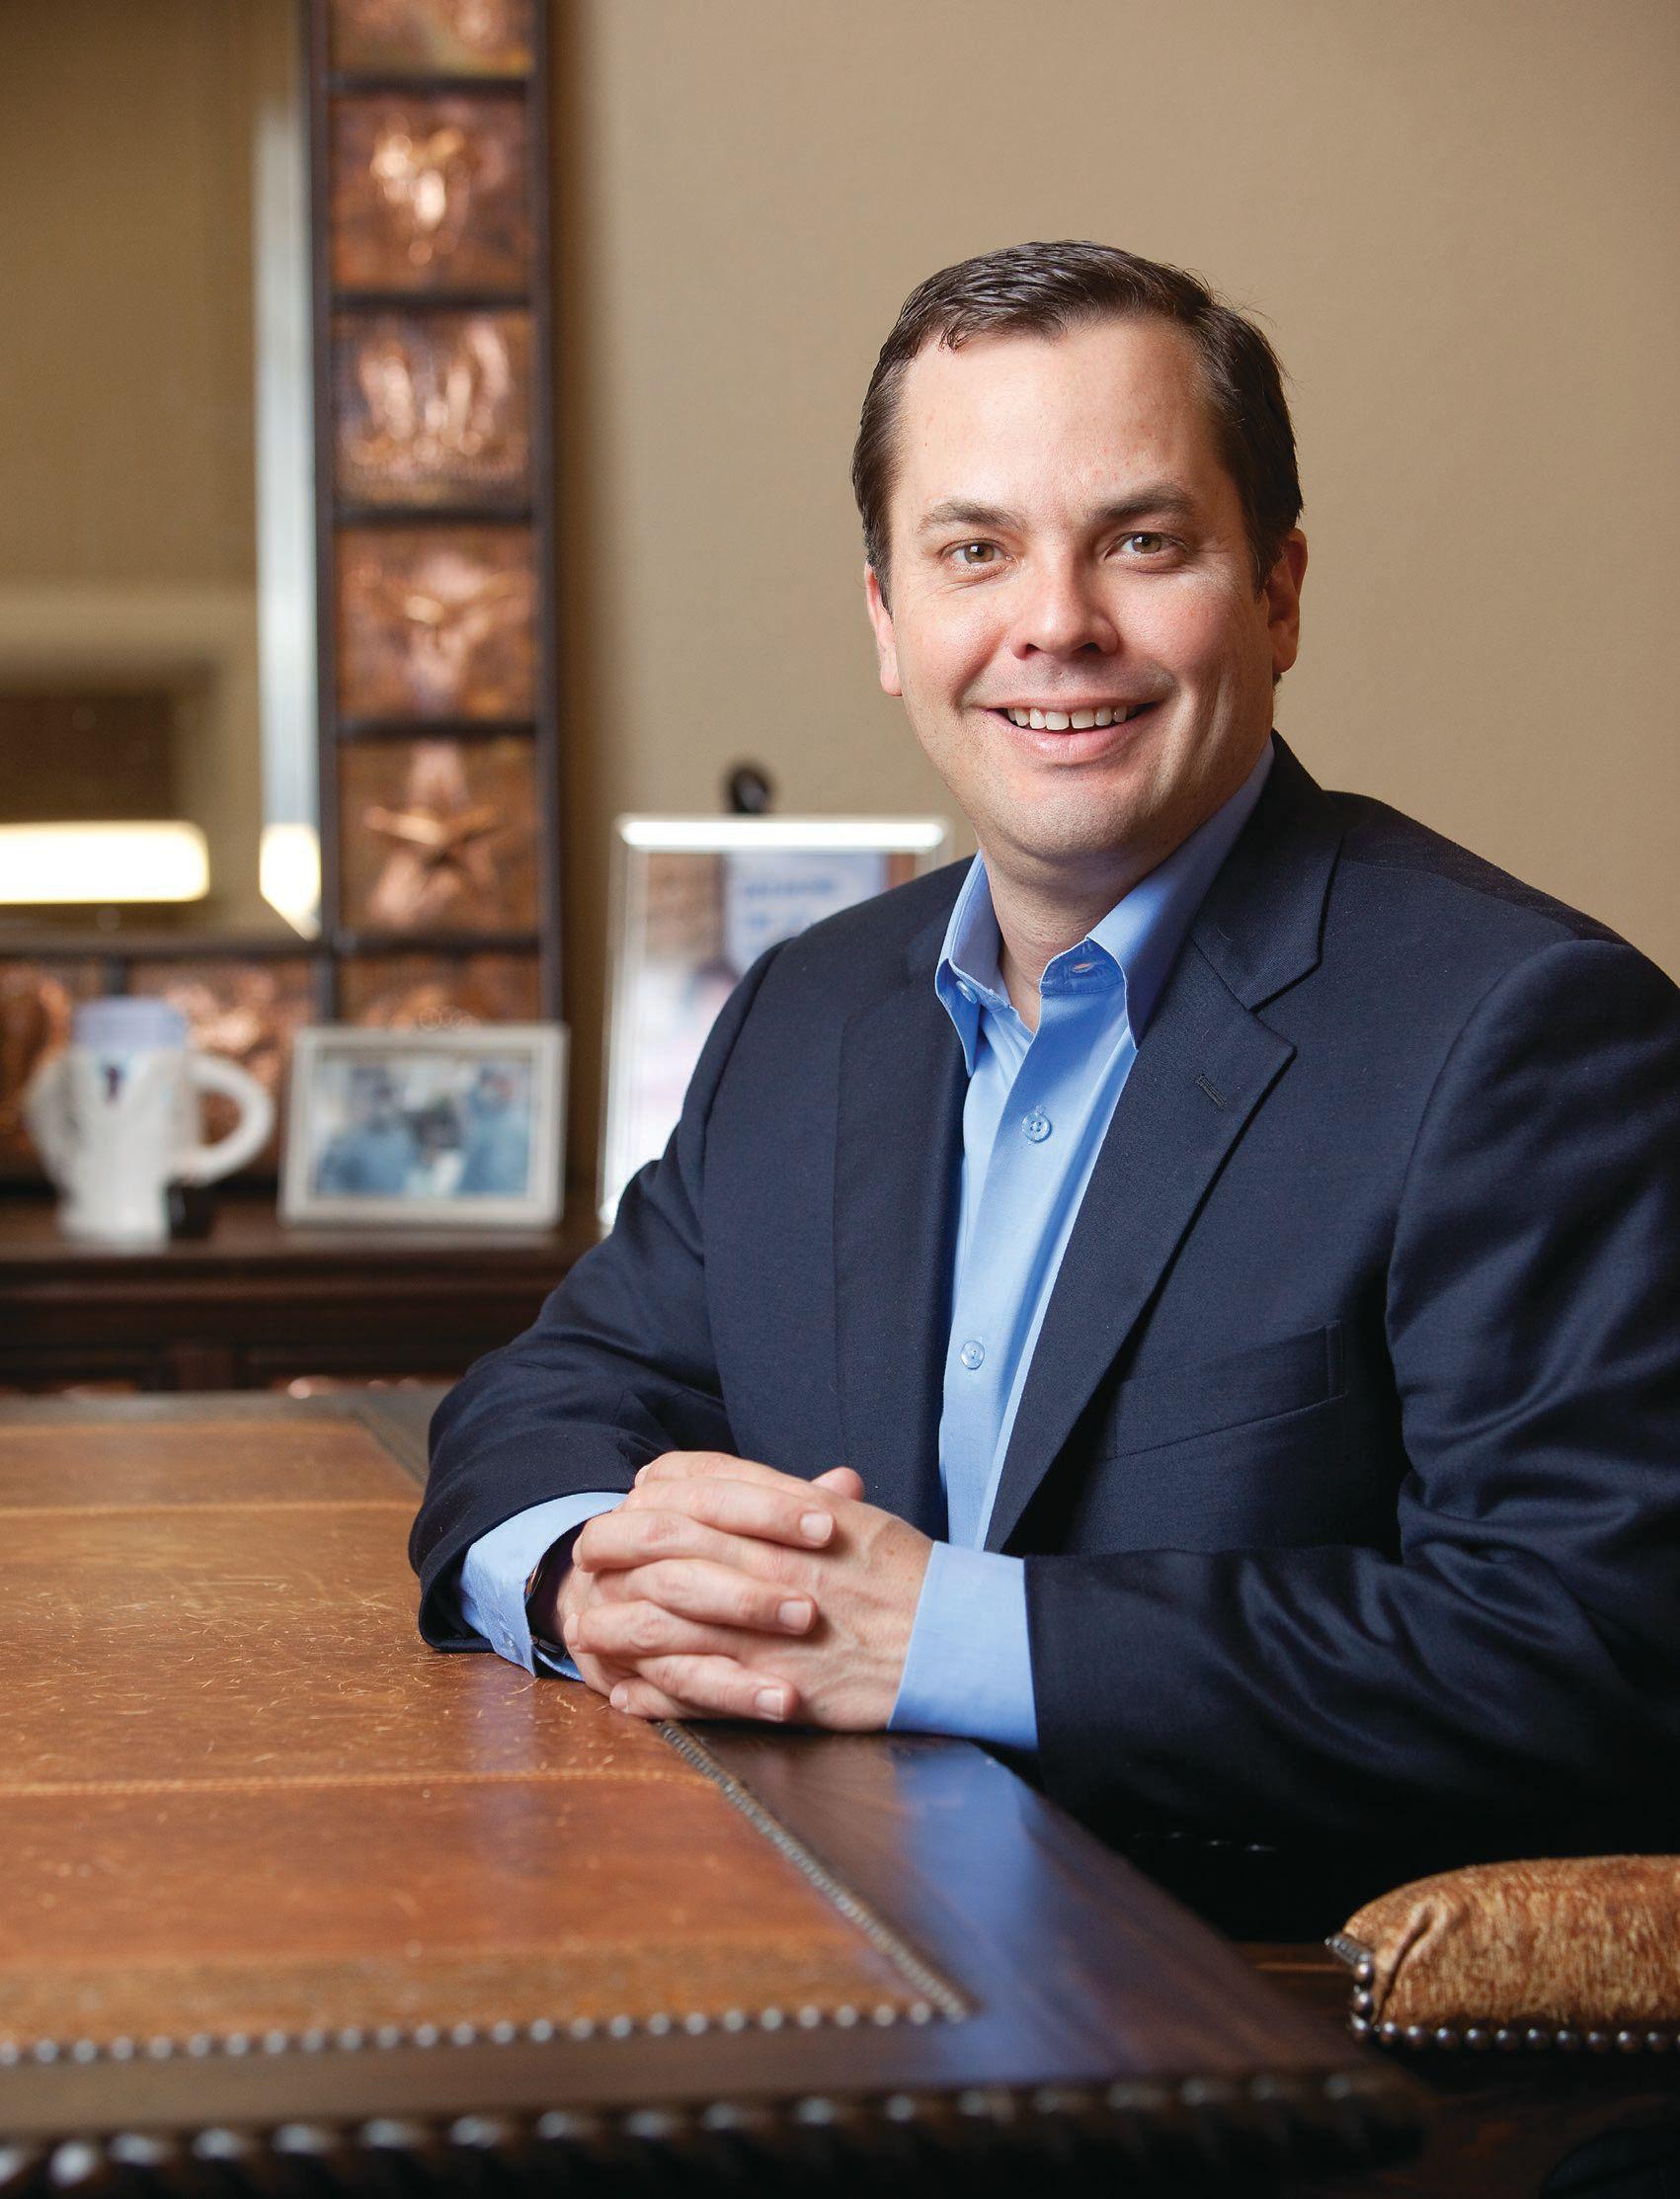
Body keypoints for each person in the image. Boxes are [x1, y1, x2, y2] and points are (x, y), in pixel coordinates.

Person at [412, 242, 1680, 1931]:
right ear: (888, 618)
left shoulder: (1527, 1031)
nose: (1055, 624)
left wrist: (939, 1633)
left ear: (1277, 593)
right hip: (812, 1955)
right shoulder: (808, 1011)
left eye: (1140, 542)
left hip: (1258, 2013)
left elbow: (1587, 1653)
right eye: (974, 550)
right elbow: (550, 1390)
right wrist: (588, 1572)